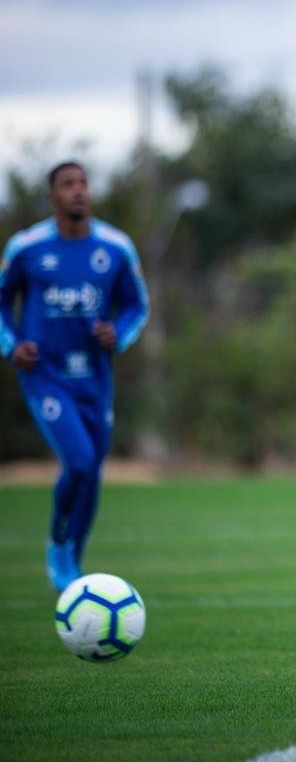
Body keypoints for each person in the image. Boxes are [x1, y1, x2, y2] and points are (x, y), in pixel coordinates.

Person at [0, 161, 149, 592]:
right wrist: (12, 346)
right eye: (68, 185)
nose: (79, 191)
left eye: (84, 183)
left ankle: (74, 564)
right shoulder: (26, 248)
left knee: (91, 472)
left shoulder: (116, 248)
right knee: (80, 460)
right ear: (52, 198)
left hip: (95, 380)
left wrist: (116, 334)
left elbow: (137, 307)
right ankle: (58, 548)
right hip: (45, 375)